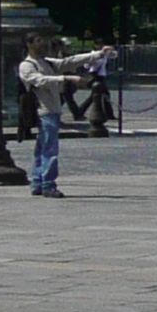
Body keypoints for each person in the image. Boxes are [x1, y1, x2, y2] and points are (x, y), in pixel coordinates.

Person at [20, 36, 112, 197]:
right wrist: (67, 78)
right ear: (29, 45)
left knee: (42, 147)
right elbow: (40, 80)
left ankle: (37, 182)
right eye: (39, 42)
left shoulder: (46, 62)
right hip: (44, 111)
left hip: (52, 110)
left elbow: (70, 61)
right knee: (50, 149)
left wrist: (98, 54)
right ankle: (48, 184)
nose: (44, 46)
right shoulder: (27, 65)